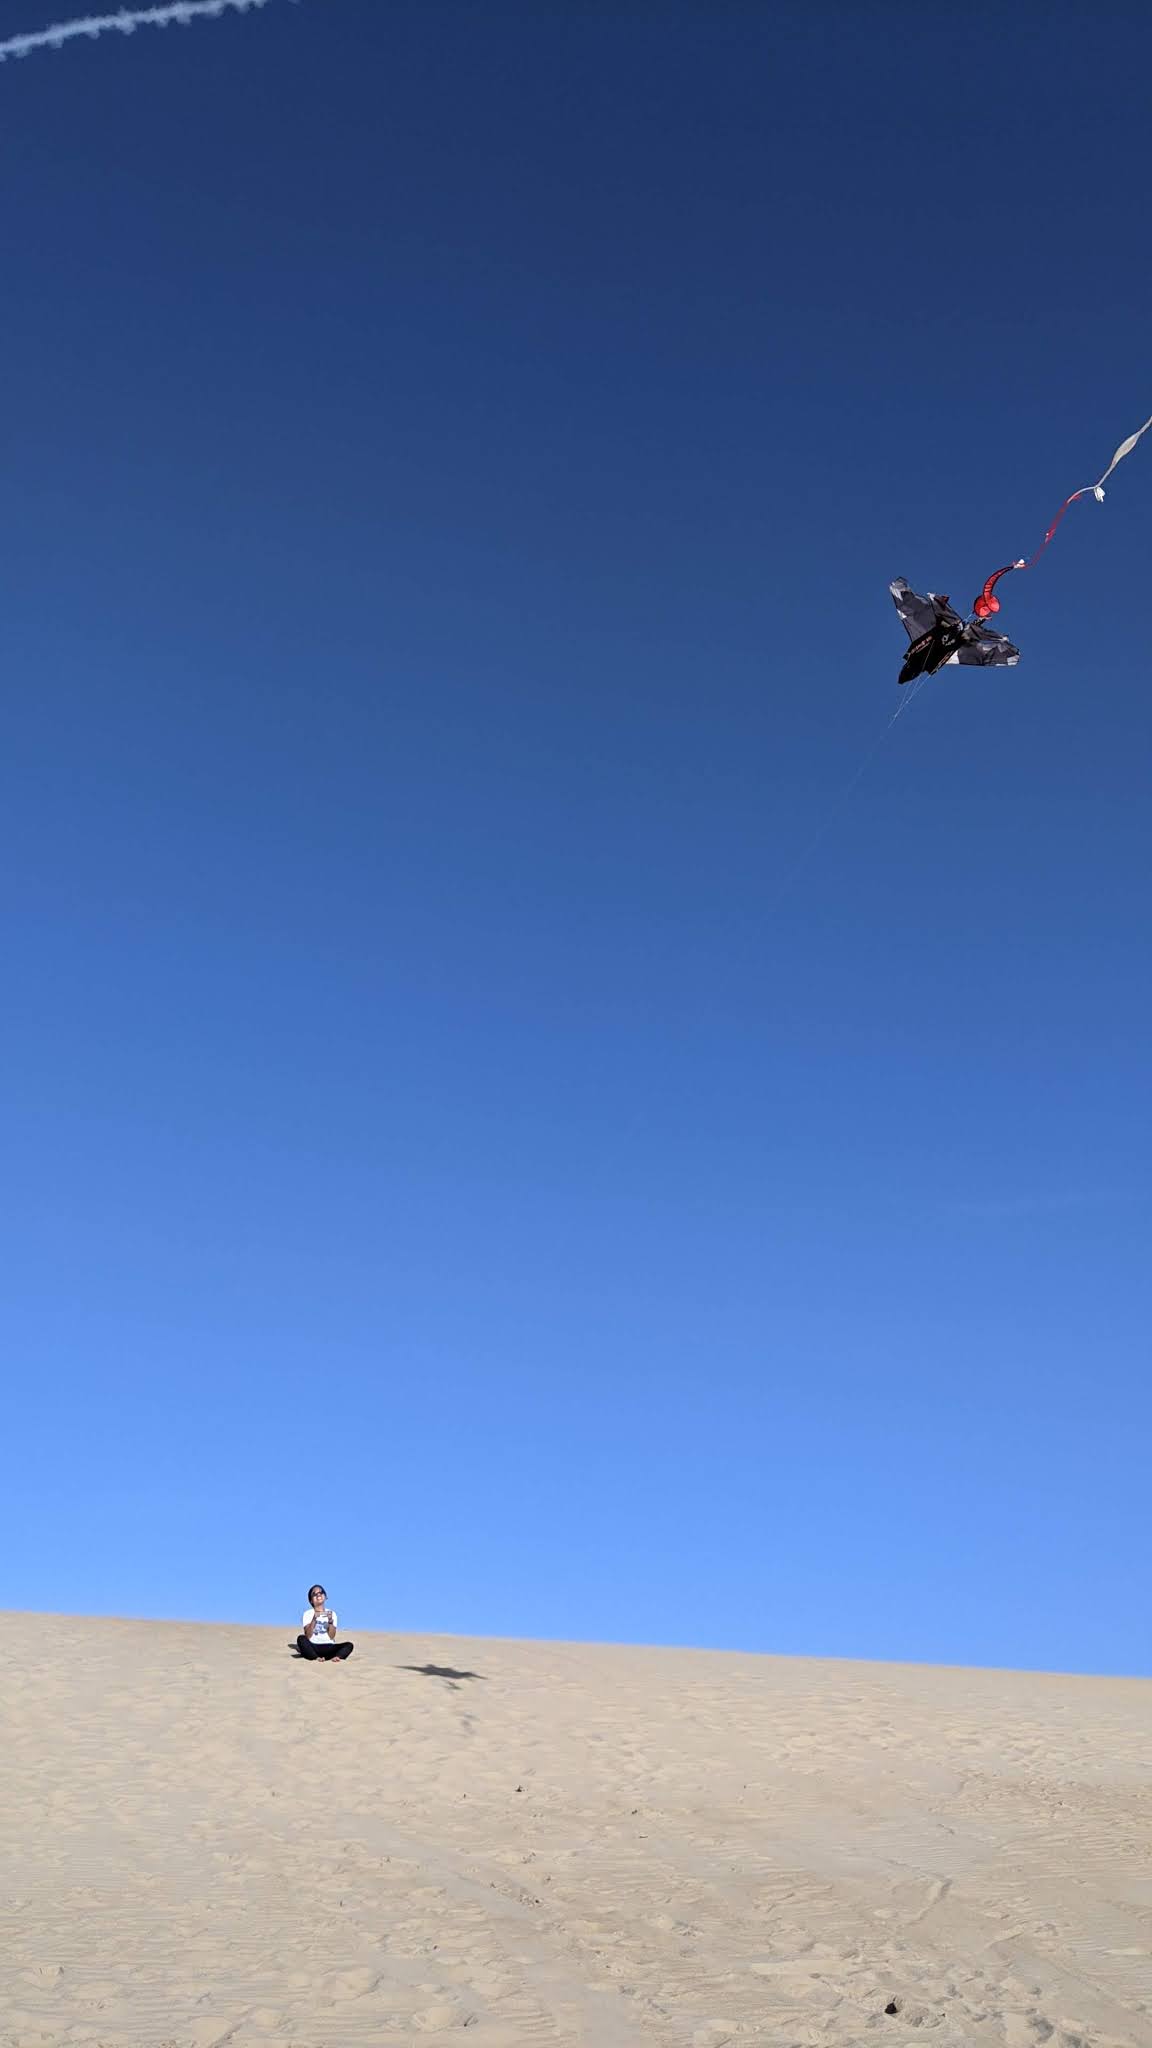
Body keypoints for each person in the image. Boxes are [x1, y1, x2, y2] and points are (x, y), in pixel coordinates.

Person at [296, 1584, 354, 1662]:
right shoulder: (308, 1613)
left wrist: (330, 1621)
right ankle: (315, 1658)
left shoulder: (332, 1613)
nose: (318, 1594)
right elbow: (308, 1636)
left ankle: (337, 1657)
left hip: (329, 1647)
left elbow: (331, 1636)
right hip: (314, 1646)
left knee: (349, 1645)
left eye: (321, 1592)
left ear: (325, 1596)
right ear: (311, 1600)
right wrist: (314, 1618)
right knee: (301, 1638)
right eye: (314, 1594)